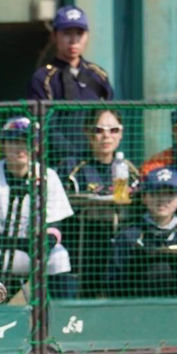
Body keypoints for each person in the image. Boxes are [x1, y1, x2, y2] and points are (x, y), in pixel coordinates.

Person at [0, 116, 76, 300]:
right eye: (14, 141)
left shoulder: (48, 176)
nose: (21, 148)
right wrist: (27, 246)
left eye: (27, 141)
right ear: (4, 144)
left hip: (28, 250)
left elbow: (55, 226)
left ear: (37, 146)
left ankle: (63, 321)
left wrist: (43, 246)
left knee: (58, 255)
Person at [61, 108, 139, 297]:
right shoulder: (73, 166)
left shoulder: (127, 168)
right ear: (87, 132)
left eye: (113, 130)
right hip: (83, 237)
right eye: (99, 130)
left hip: (120, 235)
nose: (106, 136)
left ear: (121, 134)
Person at [27, 6, 114, 167]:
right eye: (67, 33)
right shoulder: (43, 78)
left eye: (79, 33)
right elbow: (44, 125)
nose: (74, 40)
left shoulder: (98, 74)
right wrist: (72, 156)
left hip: (98, 161)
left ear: (87, 36)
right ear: (54, 36)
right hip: (57, 162)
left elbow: (112, 119)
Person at [109, 169, 177, 298]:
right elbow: (114, 280)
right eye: (155, 194)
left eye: (169, 194)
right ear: (144, 198)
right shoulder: (129, 235)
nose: (162, 200)